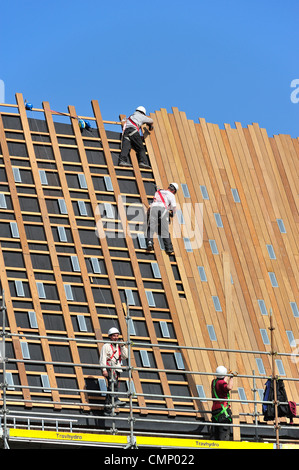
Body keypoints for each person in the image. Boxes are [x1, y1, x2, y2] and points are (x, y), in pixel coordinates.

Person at [99, 327, 128, 412]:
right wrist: (104, 369)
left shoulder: (118, 346)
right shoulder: (106, 346)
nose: (116, 337)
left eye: (117, 336)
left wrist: (123, 346)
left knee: (113, 386)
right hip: (109, 367)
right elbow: (103, 358)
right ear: (110, 336)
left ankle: (108, 406)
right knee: (113, 384)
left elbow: (125, 356)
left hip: (117, 368)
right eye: (114, 336)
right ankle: (115, 400)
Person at [146, 183, 178, 255]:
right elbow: (174, 207)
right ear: (174, 191)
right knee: (165, 230)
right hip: (163, 210)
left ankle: (149, 242)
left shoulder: (158, 192)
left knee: (150, 228)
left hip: (153, 209)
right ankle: (169, 248)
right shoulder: (171, 195)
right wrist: (172, 214)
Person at [210, 366, 234, 441]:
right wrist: (232, 378)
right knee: (223, 435)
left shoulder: (214, 382)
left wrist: (226, 377)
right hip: (223, 411)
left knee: (215, 434)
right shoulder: (221, 383)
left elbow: (221, 383)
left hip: (215, 410)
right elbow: (229, 387)